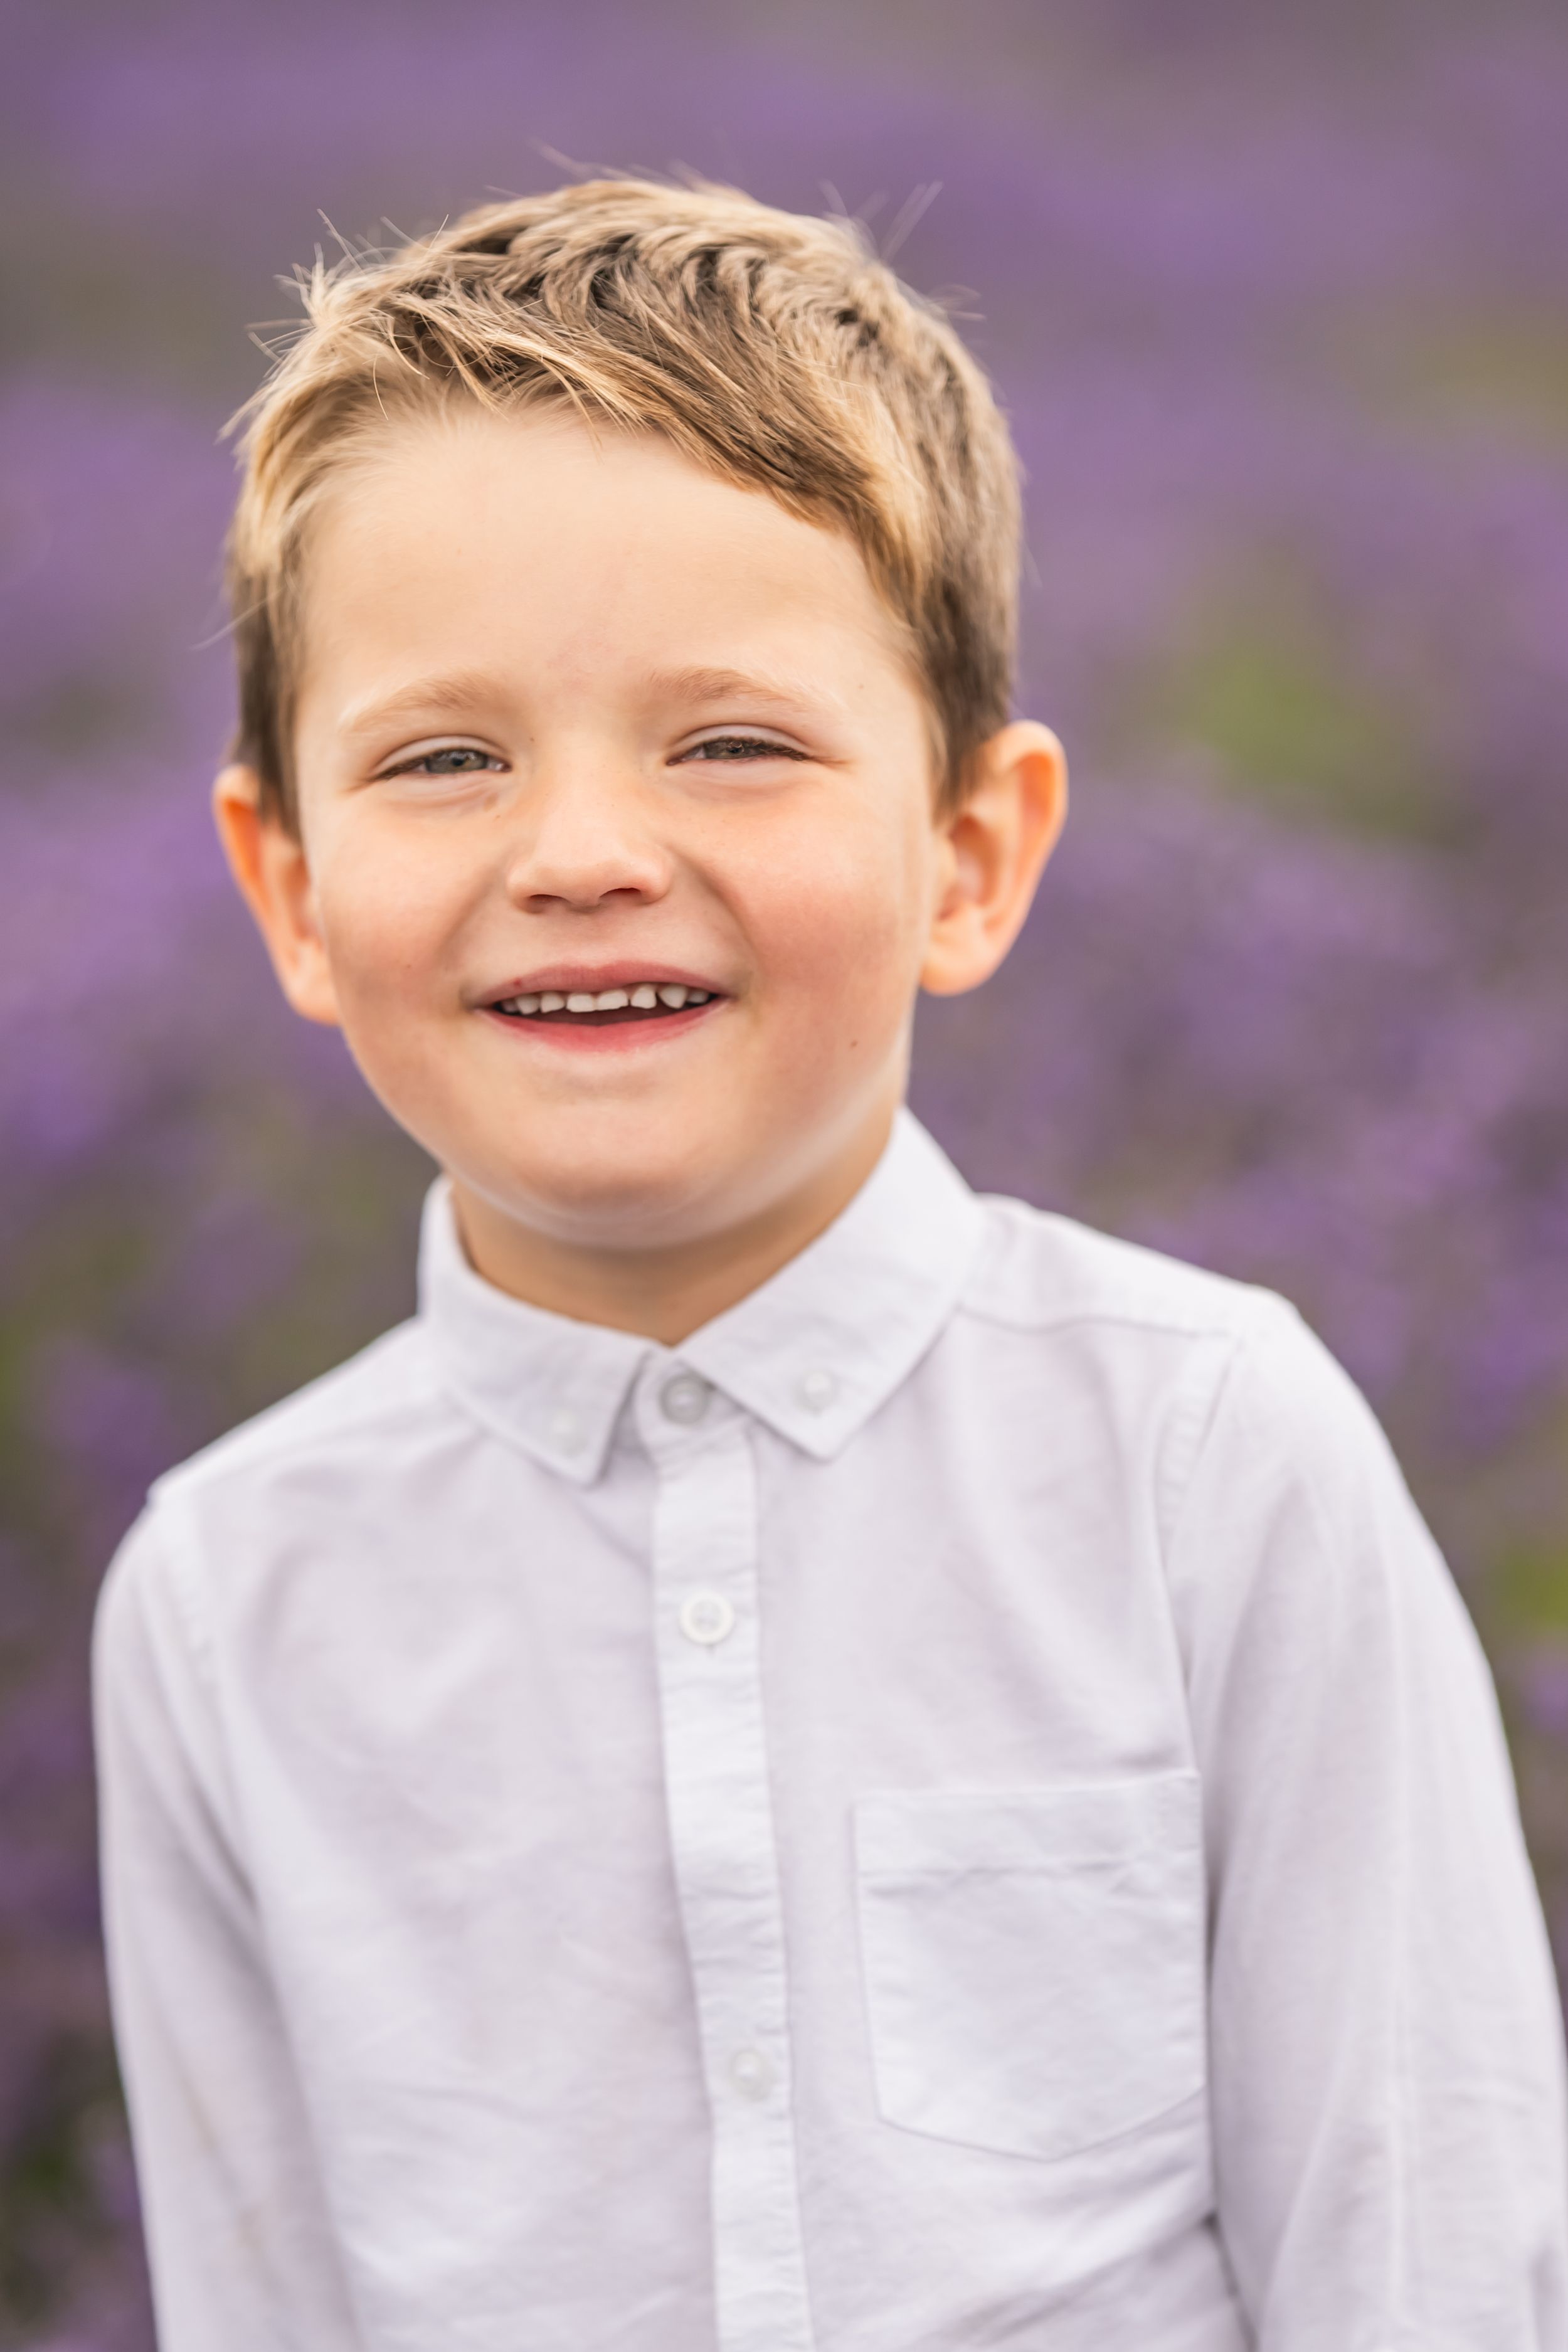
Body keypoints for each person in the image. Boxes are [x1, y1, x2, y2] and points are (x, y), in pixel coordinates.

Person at [93, 177, 1568, 2352]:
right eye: (445, 759)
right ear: (290, 888)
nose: (583, 853)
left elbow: (1421, 2246)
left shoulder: (1199, 1453)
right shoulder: (227, 1596)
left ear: (969, 856)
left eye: (734, 744)